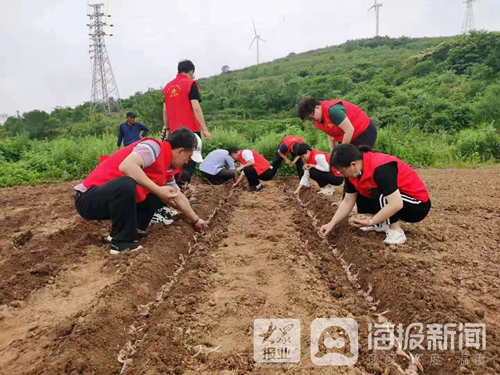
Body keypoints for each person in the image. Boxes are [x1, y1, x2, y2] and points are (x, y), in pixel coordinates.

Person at [74, 128, 207, 254]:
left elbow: (177, 197)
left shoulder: (167, 169)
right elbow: (126, 166)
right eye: (189, 157)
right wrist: (159, 190)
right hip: (88, 199)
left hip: (111, 201)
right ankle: (121, 243)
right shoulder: (153, 148)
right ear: (180, 151)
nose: (188, 162)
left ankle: (132, 231)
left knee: (155, 194)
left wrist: (196, 220)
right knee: (128, 183)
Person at [320, 144, 431, 245]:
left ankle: (396, 232)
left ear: (353, 164)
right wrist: (331, 223)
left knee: (385, 196)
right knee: (363, 189)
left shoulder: (382, 167)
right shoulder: (353, 174)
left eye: (341, 171)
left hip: (417, 205)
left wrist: (371, 222)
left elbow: (395, 203)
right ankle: (381, 224)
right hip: (398, 200)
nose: (341, 174)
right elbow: (348, 200)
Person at [161, 60, 210, 183]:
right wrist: (204, 129)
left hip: (174, 133)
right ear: (191, 71)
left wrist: (167, 129)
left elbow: (165, 111)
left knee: (175, 163)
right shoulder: (191, 84)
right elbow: (196, 108)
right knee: (189, 162)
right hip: (190, 131)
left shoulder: (167, 87)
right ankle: (183, 192)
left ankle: (174, 190)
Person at [297, 98, 377, 151]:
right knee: (343, 162)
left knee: (359, 160)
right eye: (310, 119)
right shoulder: (317, 121)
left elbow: (349, 129)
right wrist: (333, 151)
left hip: (364, 131)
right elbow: (329, 132)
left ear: (317, 107)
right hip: (349, 135)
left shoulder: (333, 111)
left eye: (313, 116)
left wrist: (341, 152)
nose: (313, 120)